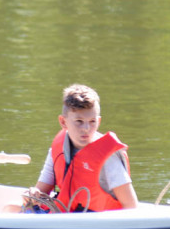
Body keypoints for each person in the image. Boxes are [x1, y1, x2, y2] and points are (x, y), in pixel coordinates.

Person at [15, 84, 137, 212]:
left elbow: (131, 206)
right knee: (11, 208)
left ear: (99, 121)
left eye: (92, 121)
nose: (86, 128)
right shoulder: (58, 148)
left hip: (97, 224)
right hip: (64, 217)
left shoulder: (108, 157)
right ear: (63, 122)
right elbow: (41, 190)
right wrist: (33, 193)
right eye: (79, 121)